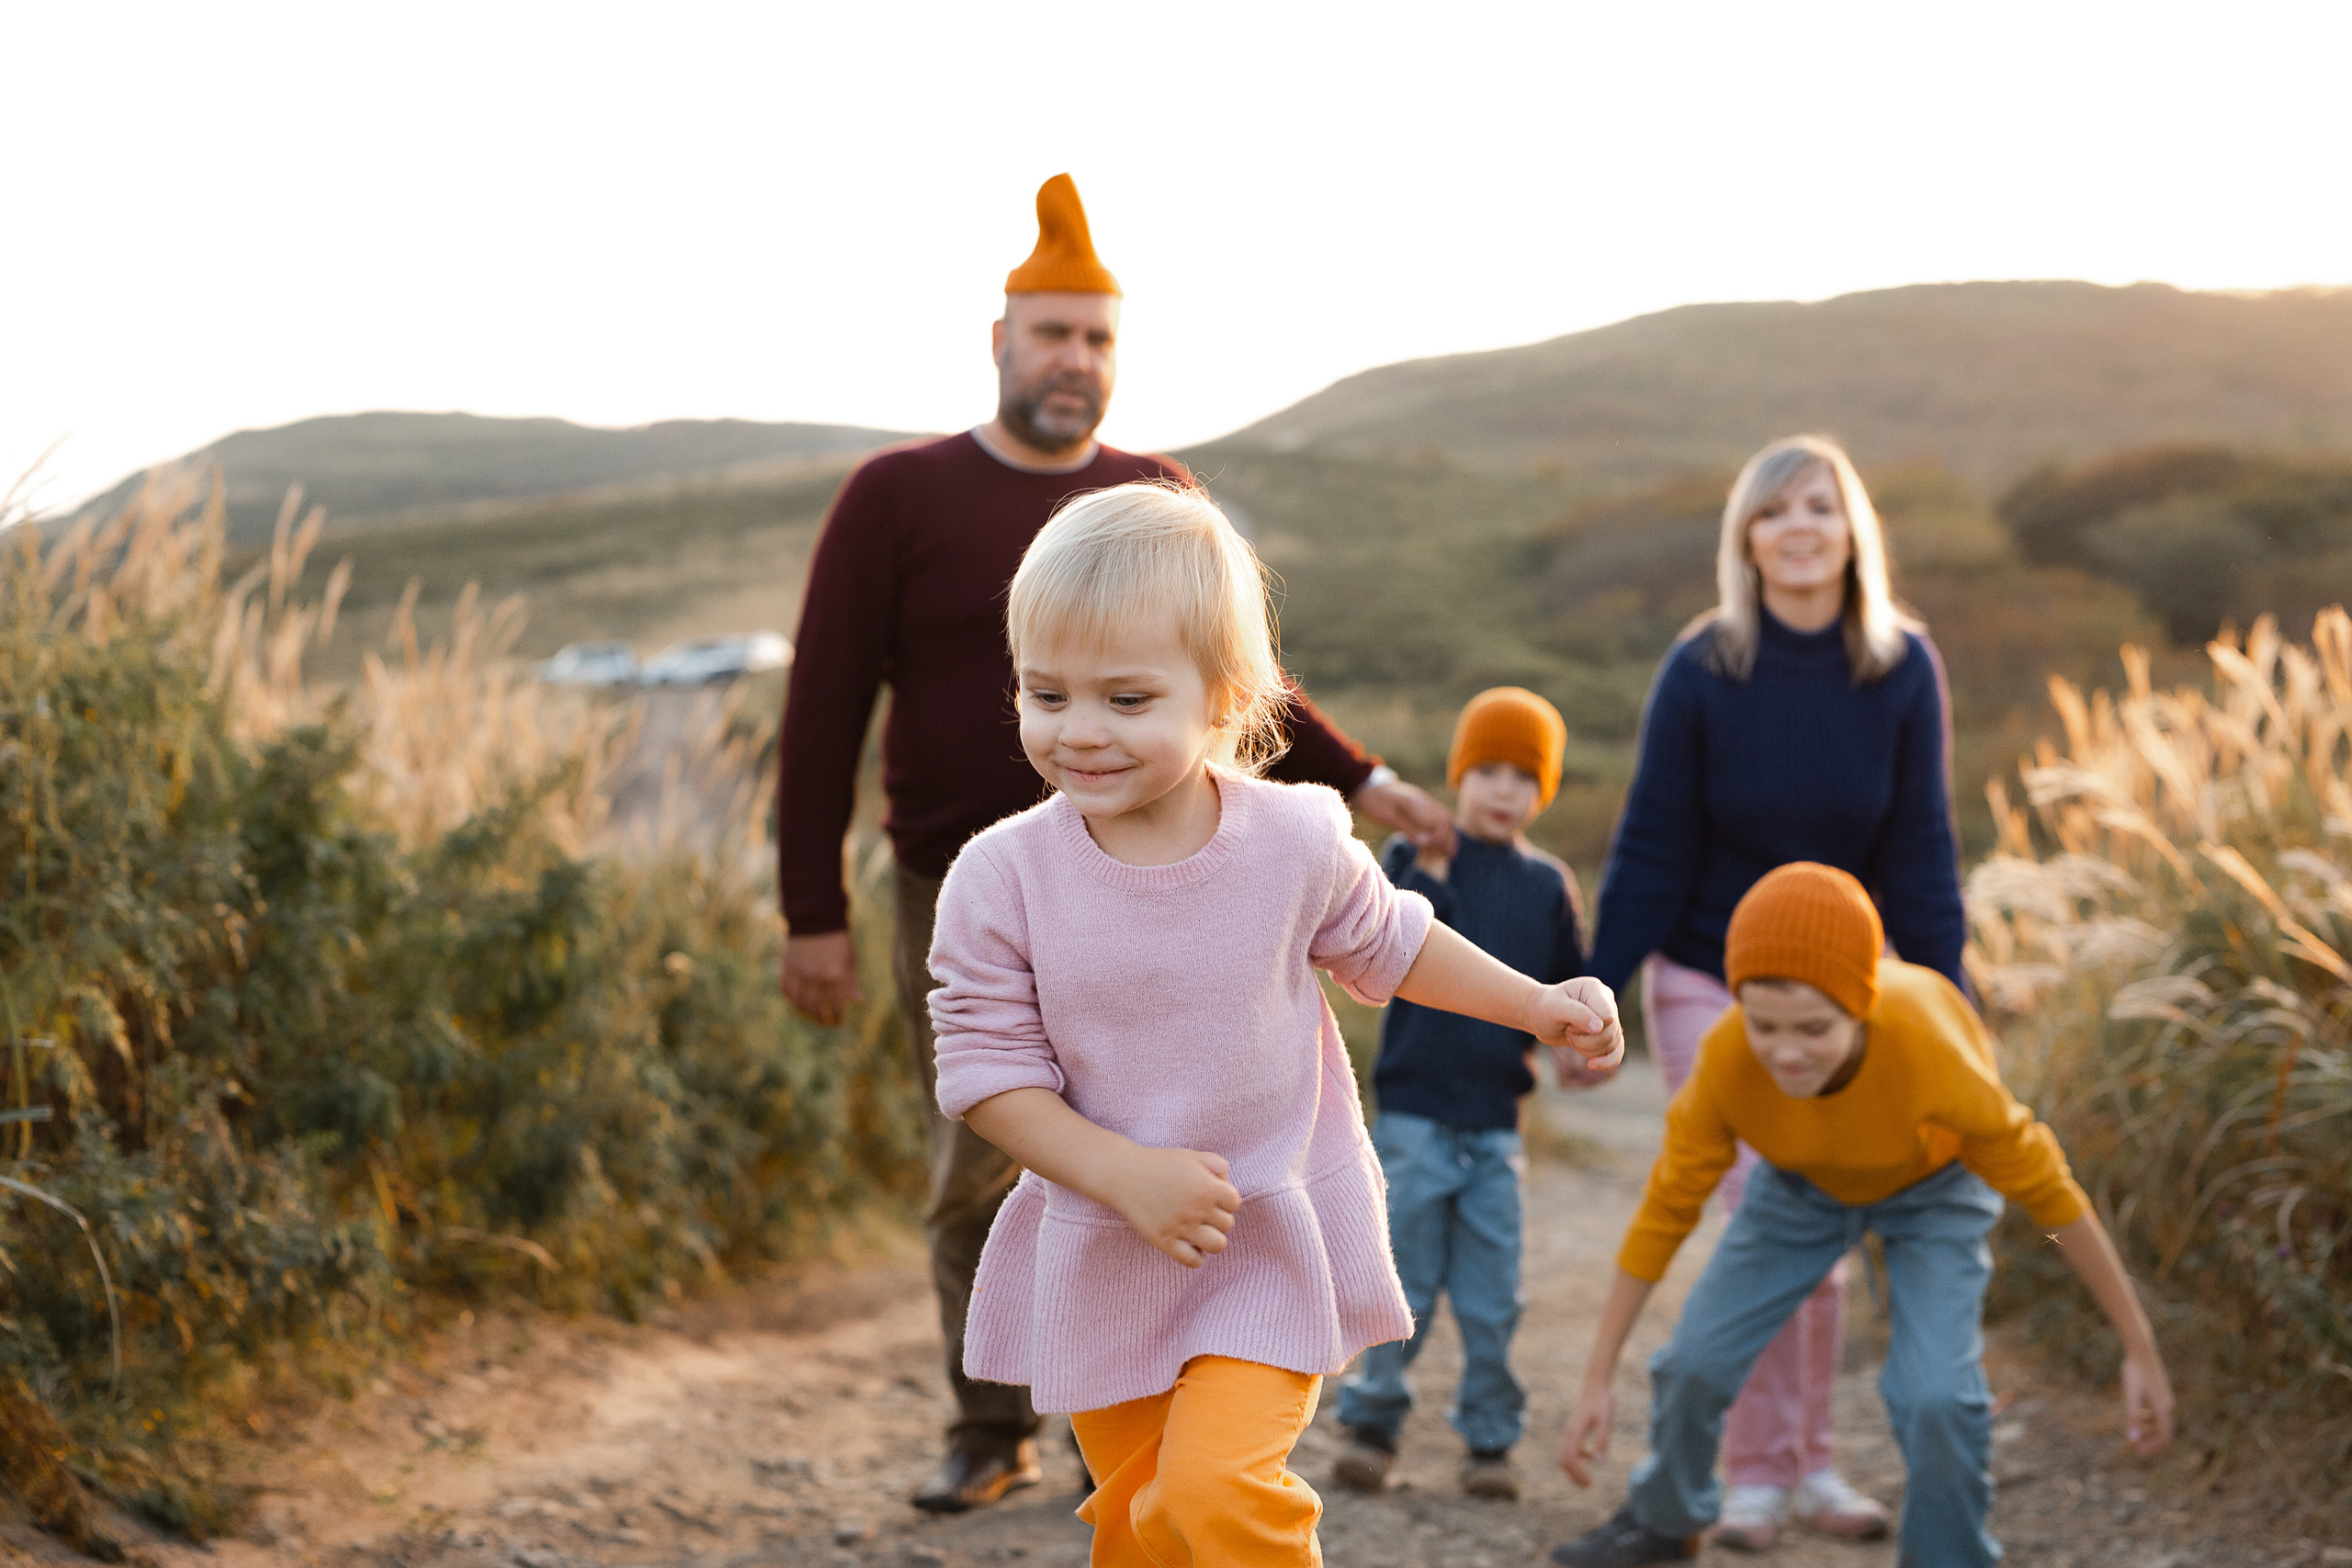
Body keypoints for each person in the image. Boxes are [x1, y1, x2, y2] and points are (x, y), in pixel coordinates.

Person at [776, 175, 1456, 1513]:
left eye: (1097, 338)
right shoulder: (896, 493)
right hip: (962, 881)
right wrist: (813, 908)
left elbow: (1243, 677)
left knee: (1161, 1132)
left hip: (1168, 885)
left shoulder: (1153, 495)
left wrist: (1367, 781)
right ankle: (993, 1423)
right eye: (1052, 334)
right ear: (1001, 340)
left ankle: (1173, 1393)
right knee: (986, 1149)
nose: (1074, 359)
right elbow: (823, 701)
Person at [927, 482, 1626, 1565]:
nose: (1079, 732)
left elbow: (1393, 942)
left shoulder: (1292, 841)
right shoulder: (999, 878)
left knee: (1213, 1492)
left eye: (1125, 698)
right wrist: (1124, 1176)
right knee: (1143, 1525)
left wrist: (1535, 1003)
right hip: (1108, 1253)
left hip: (1263, 1242)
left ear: (1224, 696)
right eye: (1046, 694)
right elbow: (987, 1077)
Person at [1549, 863, 2175, 1568]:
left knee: (1938, 1397)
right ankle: (1665, 1519)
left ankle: (1949, 1555)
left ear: (1861, 1008)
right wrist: (1598, 1375)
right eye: (1764, 1024)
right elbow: (1665, 1215)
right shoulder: (1726, 1060)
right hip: (1800, 1189)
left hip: (1934, 1192)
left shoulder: (1929, 1048)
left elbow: (2050, 1205)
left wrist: (2138, 1343)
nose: (1786, 1051)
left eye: (1814, 1027)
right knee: (1694, 1361)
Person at [1578, 434, 1965, 1546]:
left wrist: (1950, 1008)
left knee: (1822, 1226)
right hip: (1710, 976)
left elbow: (1920, 850)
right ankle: (1753, 1474)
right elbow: (1652, 842)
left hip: (1844, 996)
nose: (1799, 527)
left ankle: (1810, 1467)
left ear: (1853, 534)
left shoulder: (1901, 668)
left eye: (1820, 507)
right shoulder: (1705, 666)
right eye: (1774, 509)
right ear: (1745, 538)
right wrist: (1595, 989)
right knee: (1766, 1209)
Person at [1330, 687, 1585, 1503]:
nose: (1504, 790)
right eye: (1488, 770)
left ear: (1544, 791)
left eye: (1525, 777)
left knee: (1492, 1294)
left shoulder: (1548, 884)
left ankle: (1489, 1439)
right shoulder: (1412, 860)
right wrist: (1432, 870)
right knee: (1401, 1279)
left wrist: (1579, 1047)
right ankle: (1373, 1424)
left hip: (1495, 1127)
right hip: (1414, 1119)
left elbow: (1565, 983)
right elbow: (1397, 951)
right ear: (1458, 774)